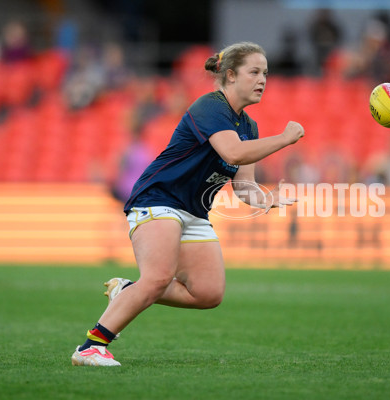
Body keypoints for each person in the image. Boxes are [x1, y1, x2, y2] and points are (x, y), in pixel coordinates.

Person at [71, 42, 305, 366]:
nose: (262, 79)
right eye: (254, 72)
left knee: (208, 293)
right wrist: (284, 139)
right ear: (231, 76)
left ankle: (127, 290)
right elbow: (233, 153)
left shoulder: (249, 127)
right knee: (157, 278)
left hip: (193, 212)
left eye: (265, 72)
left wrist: (266, 198)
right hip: (159, 198)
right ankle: (91, 347)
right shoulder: (210, 106)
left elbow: (243, 186)